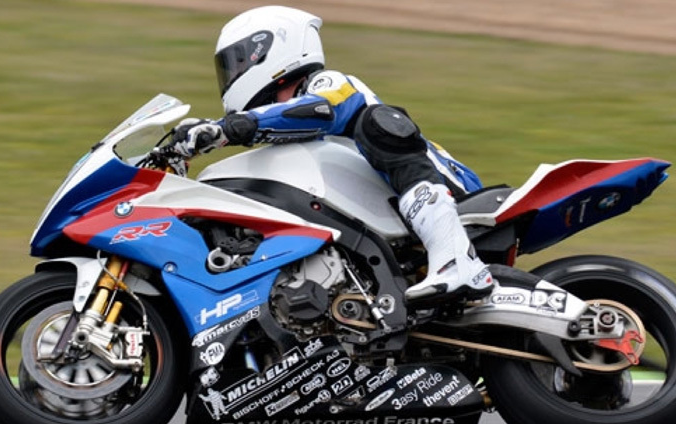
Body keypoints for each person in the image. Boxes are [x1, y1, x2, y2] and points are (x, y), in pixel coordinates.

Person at [170, 5, 493, 304]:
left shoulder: (326, 84)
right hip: (387, 221)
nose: (232, 73)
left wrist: (228, 128)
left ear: (269, 51)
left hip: (454, 190)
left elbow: (325, 109)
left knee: (377, 124)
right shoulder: (283, 137)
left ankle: (455, 259)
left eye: (237, 61)